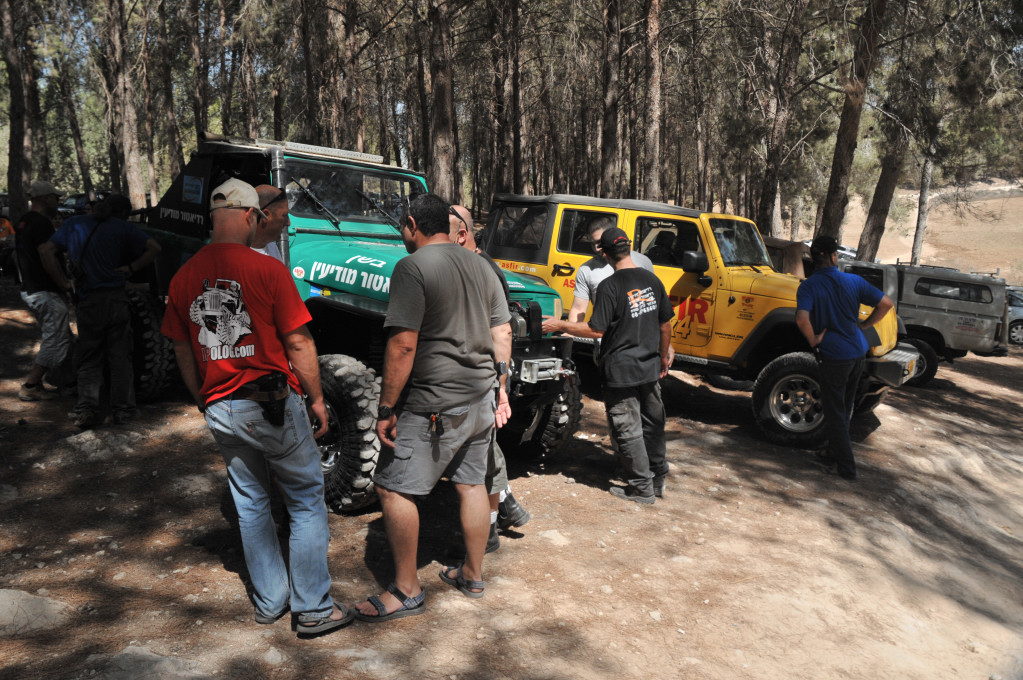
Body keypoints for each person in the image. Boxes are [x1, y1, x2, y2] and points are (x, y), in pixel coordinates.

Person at [161, 179, 352, 638]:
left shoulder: (184, 276)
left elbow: (182, 348)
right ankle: (313, 608)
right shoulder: (267, 269)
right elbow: (299, 341)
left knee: (250, 504)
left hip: (221, 406)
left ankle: (270, 600)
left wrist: (202, 397)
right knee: (305, 501)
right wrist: (317, 398)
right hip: (271, 404)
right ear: (251, 215)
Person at [354, 193, 511, 622]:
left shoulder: (413, 267)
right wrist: (500, 388)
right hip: (480, 397)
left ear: (411, 224)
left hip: (435, 402)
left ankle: (406, 590)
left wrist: (386, 407)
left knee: (392, 487)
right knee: (472, 484)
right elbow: (502, 332)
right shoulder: (481, 265)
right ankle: (472, 575)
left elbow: (403, 344)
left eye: (401, 227)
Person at [543, 227, 674, 504]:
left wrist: (560, 325)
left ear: (604, 253)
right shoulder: (651, 280)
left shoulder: (609, 286)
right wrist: (662, 356)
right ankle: (657, 479)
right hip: (649, 365)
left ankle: (642, 488)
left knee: (628, 428)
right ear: (629, 247)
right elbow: (665, 324)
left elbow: (596, 329)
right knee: (653, 423)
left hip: (621, 369)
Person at [448, 204, 531, 552]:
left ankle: (490, 529)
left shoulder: (481, 269)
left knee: (484, 456)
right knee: (484, 453)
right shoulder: (472, 264)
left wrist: (501, 386)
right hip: (481, 375)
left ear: (462, 234)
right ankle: (505, 508)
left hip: (484, 376)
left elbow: (502, 331)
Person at [41, 195, 161, 428]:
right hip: (116, 300)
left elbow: (46, 250)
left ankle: (86, 409)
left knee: (89, 357)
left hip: (87, 301)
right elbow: (155, 247)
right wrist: (132, 267)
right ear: (122, 213)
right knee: (120, 357)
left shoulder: (74, 224)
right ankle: (123, 410)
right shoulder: (122, 228)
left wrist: (64, 283)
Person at [795, 235, 894, 481]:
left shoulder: (808, 286)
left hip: (834, 355)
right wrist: (864, 326)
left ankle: (846, 468)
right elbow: (886, 303)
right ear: (834, 256)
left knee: (835, 412)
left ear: (814, 259)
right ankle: (831, 451)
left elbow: (802, 319)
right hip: (857, 351)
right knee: (845, 407)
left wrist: (814, 340)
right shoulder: (853, 281)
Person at [13, 180, 73, 401]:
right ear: (46, 198)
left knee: (63, 335)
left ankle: (69, 382)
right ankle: (31, 385)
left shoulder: (25, 221)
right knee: (56, 337)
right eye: (55, 198)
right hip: (43, 290)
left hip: (32, 288)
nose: (57, 202)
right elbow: (46, 256)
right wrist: (64, 283)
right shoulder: (41, 223)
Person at [566, 216, 654, 323]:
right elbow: (578, 309)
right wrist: (570, 329)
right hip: (603, 332)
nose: (596, 248)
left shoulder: (643, 262)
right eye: (592, 243)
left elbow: (651, 304)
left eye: (600, 242)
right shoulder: (586, 270)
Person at [253, 185, 290, 261]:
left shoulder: (272, 248)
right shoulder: (238, 253)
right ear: (266, 215)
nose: (288, 223)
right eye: (284, 215)